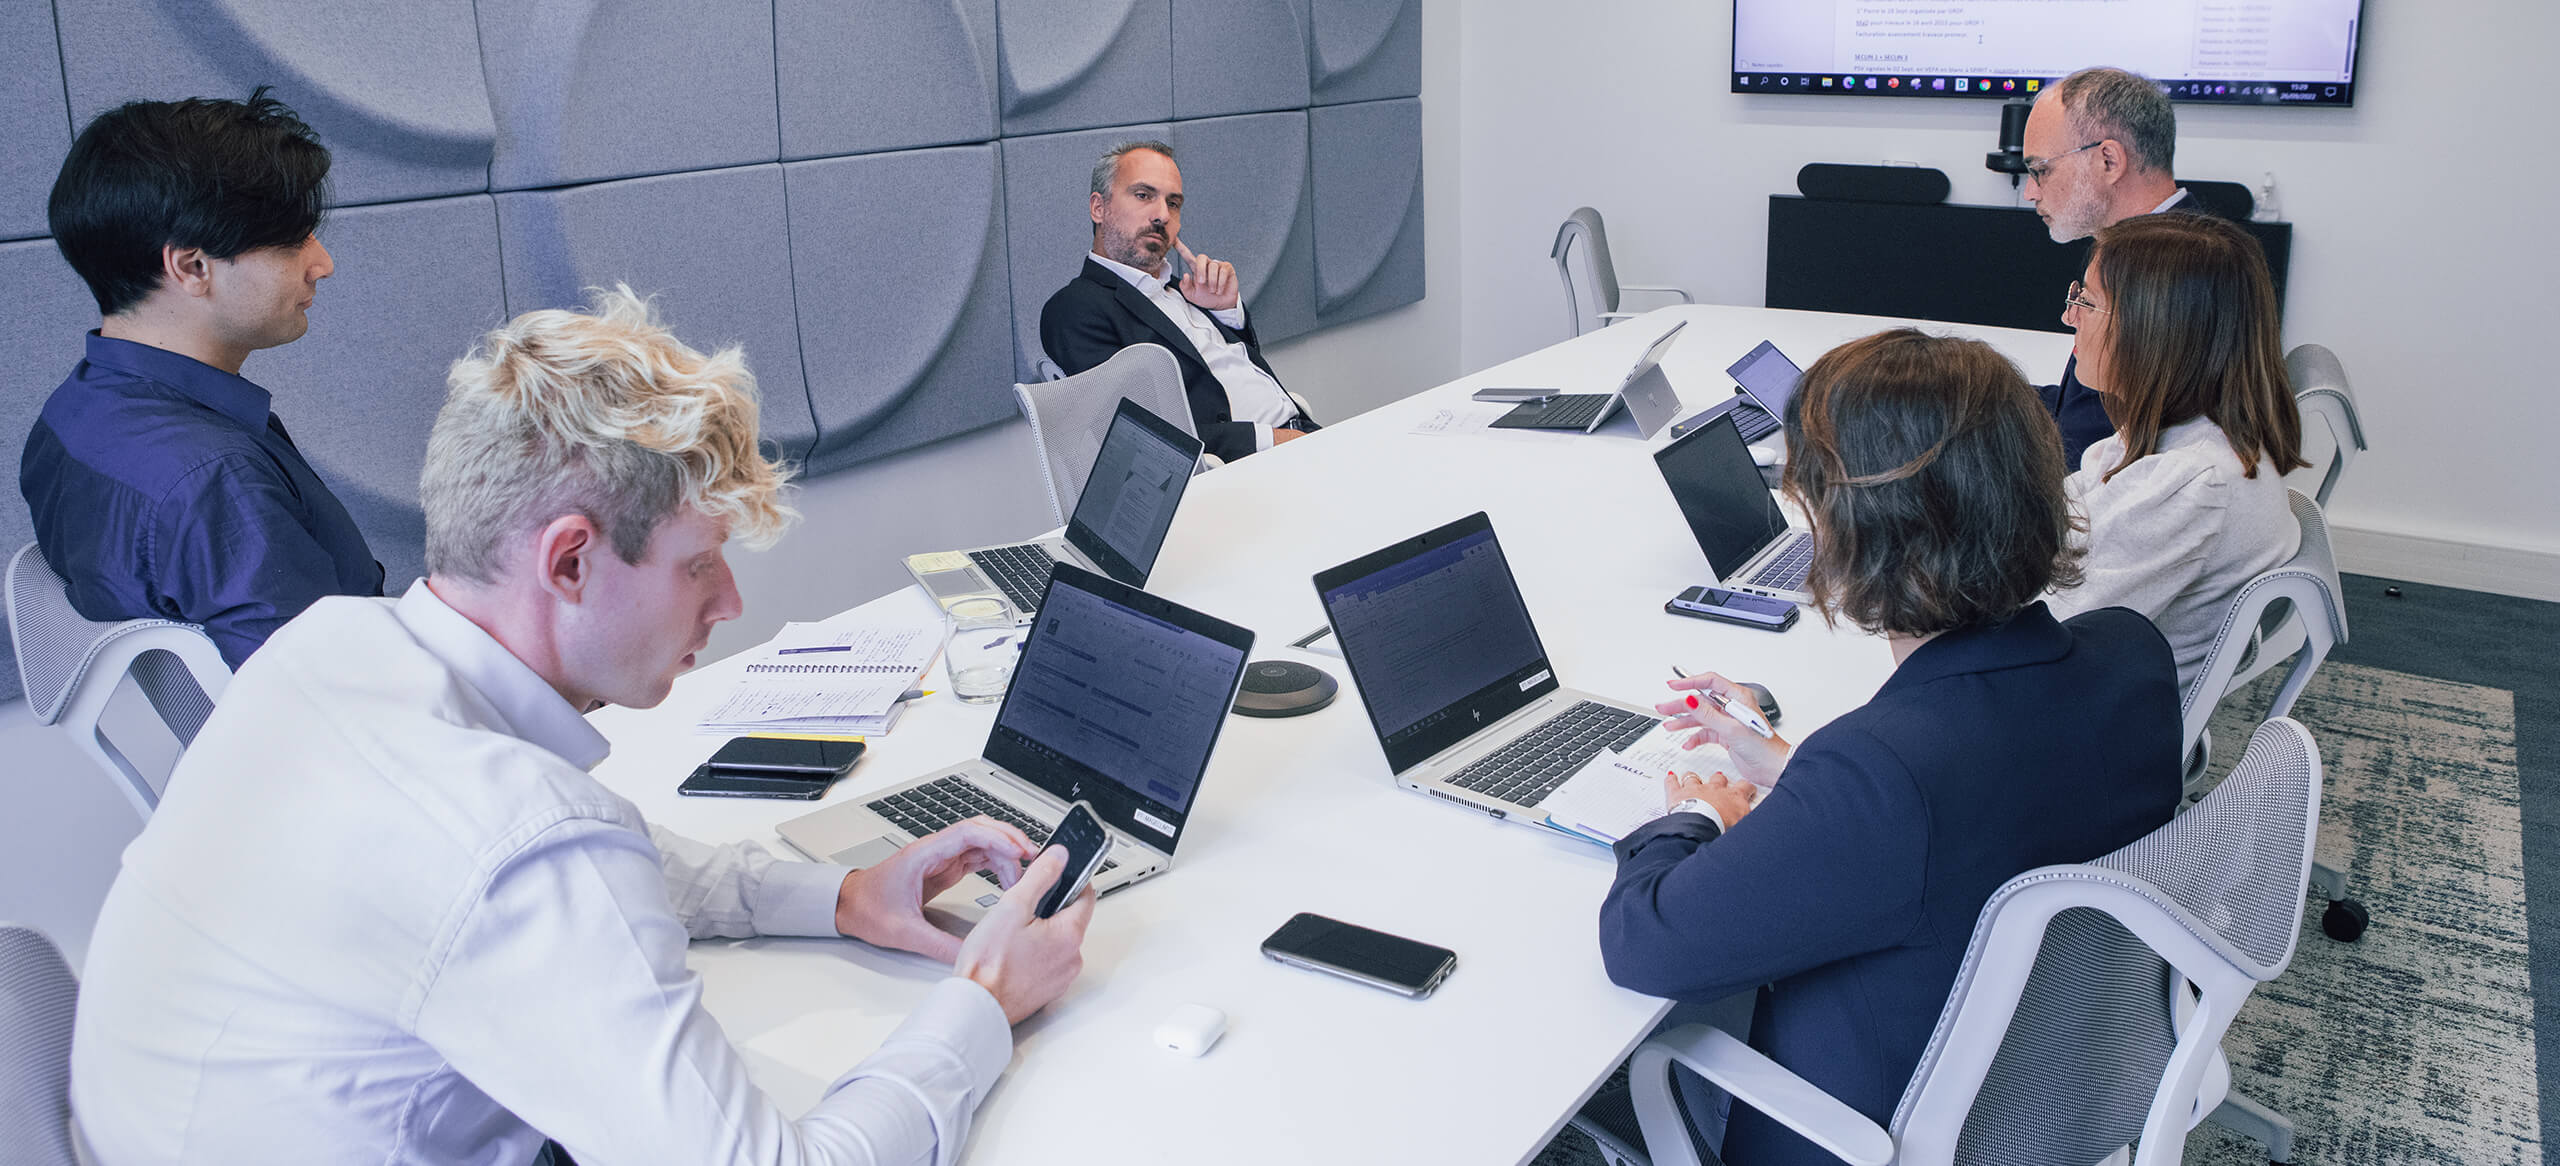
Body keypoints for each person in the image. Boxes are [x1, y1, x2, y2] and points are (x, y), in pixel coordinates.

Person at [70, 287, 1096, 1164]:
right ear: (569, 563)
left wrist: (842, 894)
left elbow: (580, 860)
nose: (729, 600)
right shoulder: (516, 839)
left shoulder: (330, 650)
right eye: (700, 561)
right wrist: (980, 1004)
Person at [1597, 330, 2182, 1166]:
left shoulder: (1881, 770)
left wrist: (1693, 812)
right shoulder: (2131, 653)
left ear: (1855, 533)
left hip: (1868, 1128)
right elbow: (1977, 810)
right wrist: (1789, 768)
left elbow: (1644, 944)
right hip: (2050, 1087)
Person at [21, 88, 382, 669]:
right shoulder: (217, 482)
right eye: (295, 241)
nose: (323, 263)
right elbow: (332, 706)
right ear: (192, 267)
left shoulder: (68, 415)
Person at [2044, 213, 2307, 693]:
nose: (2069, 316)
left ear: (2155, 329)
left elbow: (2044, 633)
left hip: (2083, 718)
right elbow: (2070, 507)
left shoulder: (2190, 484)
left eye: (2087, 301)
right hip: (2097, 684)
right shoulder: (2188, 431)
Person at [1039, 140, 1317, 462]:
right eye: (1143, 196)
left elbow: (1233, 372)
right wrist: (1274, 439)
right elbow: (1145, 431)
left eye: (1173, 204)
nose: (1161, 215)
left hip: (1300, 436)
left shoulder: (1185, 289)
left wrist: (1227, 314)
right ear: (1099, 208)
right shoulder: (1075, 309)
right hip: (1249, 464)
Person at [2019, 66, 2218, 471]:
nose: (2030, 192)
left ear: (2109, 160)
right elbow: (2083, 411)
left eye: (2041, 170)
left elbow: (2088, 447)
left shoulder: (2166, 280)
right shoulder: (2157, 251)